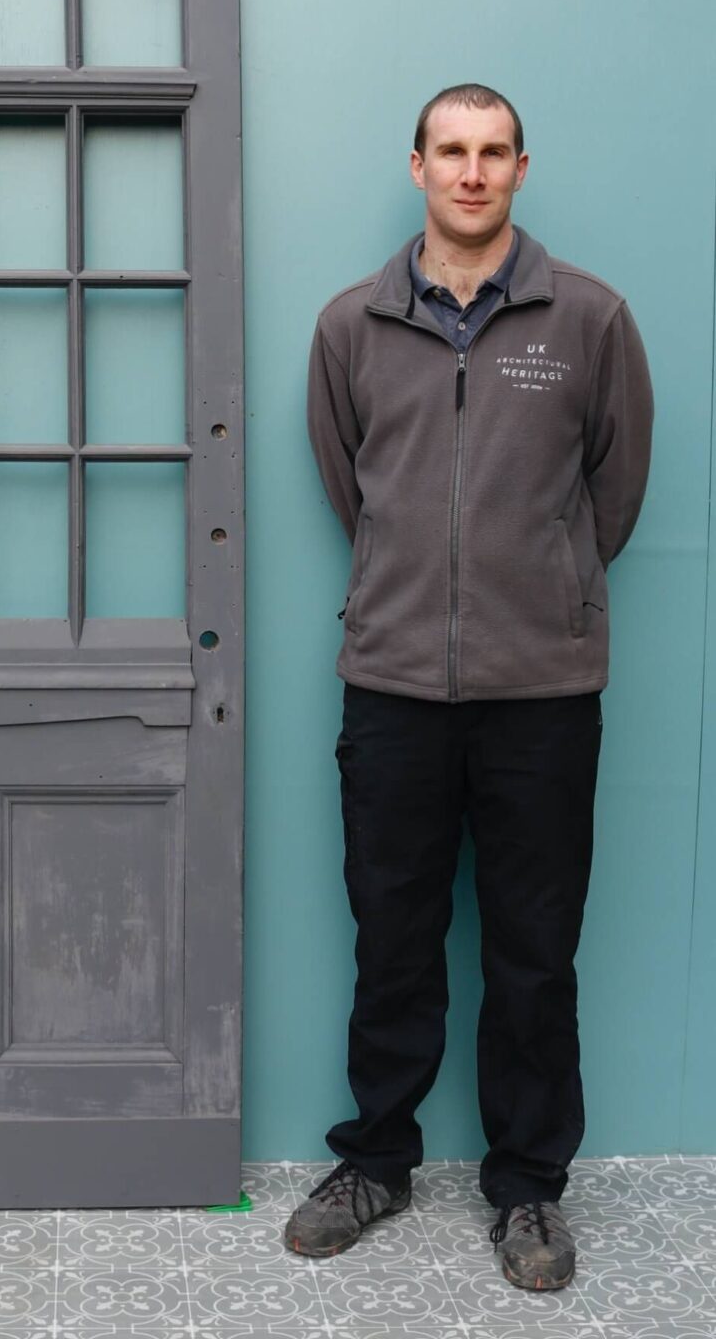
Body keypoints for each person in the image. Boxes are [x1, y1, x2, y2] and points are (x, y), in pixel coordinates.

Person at [288, 83, 653, 1291]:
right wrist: (410, 587)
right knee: (390, 939)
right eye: (449, 150)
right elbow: (349, 484)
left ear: (519, 168)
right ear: (416, 167)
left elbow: (611, 491)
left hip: (540, 691)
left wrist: (542, 587)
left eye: (492, 151)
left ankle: (527, 1187)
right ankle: (373, 1163)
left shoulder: (587, 317)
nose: (470, 171)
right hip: (391, 683)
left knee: (532, 954)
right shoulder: (349, 326)